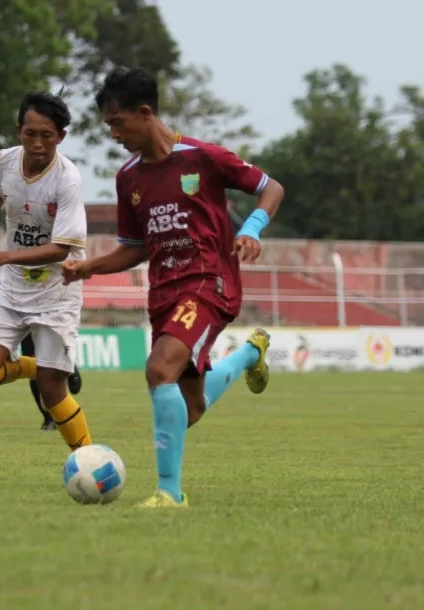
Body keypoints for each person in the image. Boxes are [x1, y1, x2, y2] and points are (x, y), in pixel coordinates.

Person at [63, 67, 285, 508]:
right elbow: (135, 248)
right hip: (163, 294)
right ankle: (249, 355)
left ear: (145, 113)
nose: (113, 134)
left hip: (209, 283)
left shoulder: (202, 157)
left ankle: (169, 493)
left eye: (118, 122)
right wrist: (88, 267)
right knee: (190, 409)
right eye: (109, 125)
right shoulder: (128, 177)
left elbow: (270, 188)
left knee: (159, 369)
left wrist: (252, 229)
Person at [0, 91, 92, 452]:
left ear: (60, 137)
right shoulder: (3, 161)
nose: (37, 143)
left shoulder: (67, 179)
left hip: (57, 289)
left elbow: (61, 249)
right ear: (18, 130)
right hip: (12, 288)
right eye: (30, 133)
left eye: (46, 135)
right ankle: (39, 365)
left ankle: (89, 459)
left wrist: (5, 256)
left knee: (53, 392)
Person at [20, 334, 82, 431]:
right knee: (33, 365)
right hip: (26, 327)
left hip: (49, 326)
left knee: (42, 360)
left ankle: (67, 363)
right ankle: (49, 419)